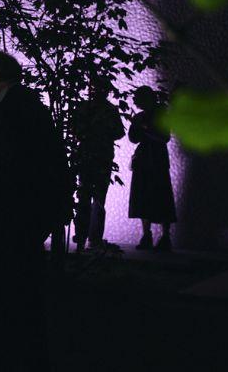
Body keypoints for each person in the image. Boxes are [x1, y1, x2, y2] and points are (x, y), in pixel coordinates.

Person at [0, 51, 69, 372]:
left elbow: (13, 162)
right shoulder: (29, 103)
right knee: (25, 287)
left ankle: (19, 360)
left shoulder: (11, 108)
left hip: (16, 213)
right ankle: (30, 359)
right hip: (29, 213)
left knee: (15, 287)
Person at [72, 76, 124, 252]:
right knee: (91, 198)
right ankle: (87, 237)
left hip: (95, 157)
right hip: (95, 157)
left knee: (90, 198)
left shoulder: (99, 109)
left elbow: (118, 132)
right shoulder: (100, 109)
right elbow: (118, 132)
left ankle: (85, 237)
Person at [127, 86, 176, 251]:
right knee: (143, 198)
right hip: (144, 160)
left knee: (161, 197)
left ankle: (165, 236)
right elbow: (133, 138)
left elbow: (164, 137)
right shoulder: (141, 116)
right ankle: (147, 235)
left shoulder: (160, 114)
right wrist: (140, 127)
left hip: (157, 161)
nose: (134, 101)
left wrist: (144, 128)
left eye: (137, 97)